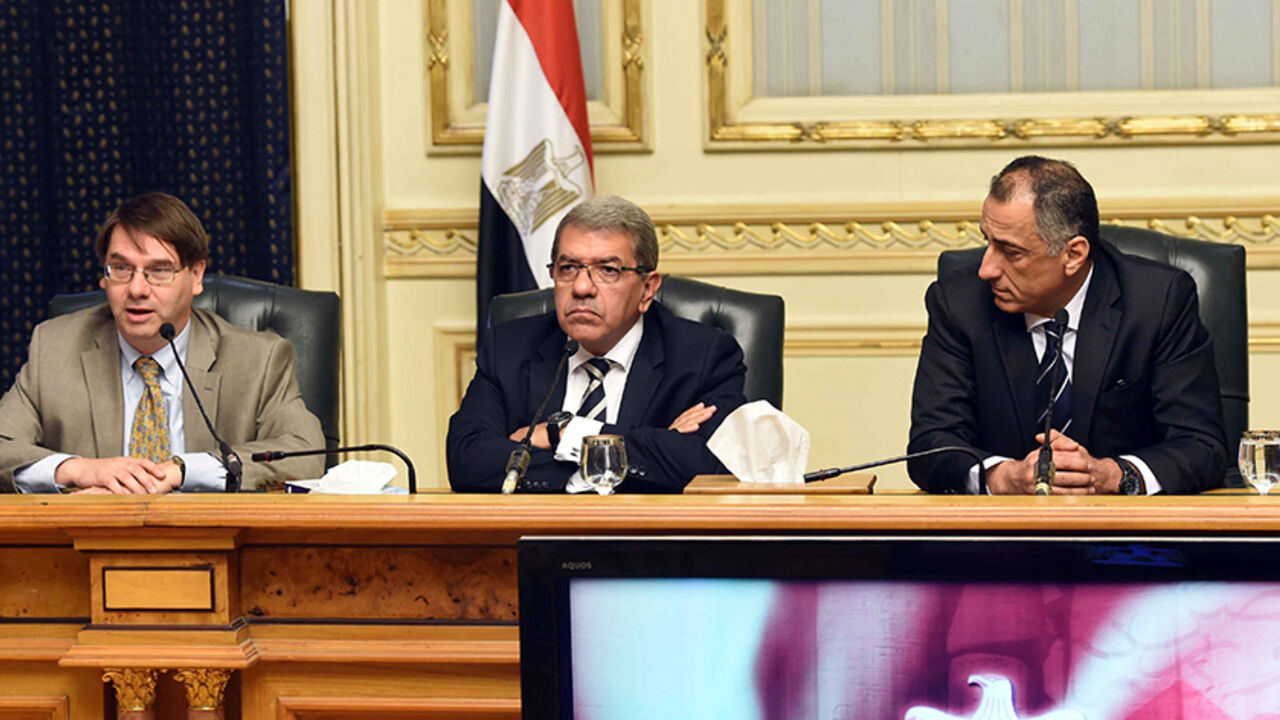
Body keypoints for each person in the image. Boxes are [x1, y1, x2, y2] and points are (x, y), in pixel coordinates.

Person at [907, 156, 1227, 495]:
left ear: (1073, 254)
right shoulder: (959, 304)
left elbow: (1201, 446)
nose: (986, 269)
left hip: (1124, 532)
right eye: (987, 241)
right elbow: (930, 446)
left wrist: (1112, 475)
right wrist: (1002, 477)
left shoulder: (1157, 302)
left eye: (1010, 252)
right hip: (999, 534)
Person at [0, 192, 325, 493]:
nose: (137, 289)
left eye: (159, 270)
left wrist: (184, 471)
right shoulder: (55, 347)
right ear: (104, 275)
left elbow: (305, 453)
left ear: (196, 276)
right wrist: (76, 469)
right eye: (122, 269)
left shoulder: (258, 360)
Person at [447, 195, 748, 493]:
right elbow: (468, 460)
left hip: (652, 539)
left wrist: (563, 433)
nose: (581, 287)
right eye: (568, 268)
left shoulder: (704, 356)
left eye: (608, 270)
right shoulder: (510, 348)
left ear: (647, 288)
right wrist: (647, 451)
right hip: (535, 535)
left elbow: (712, 464)